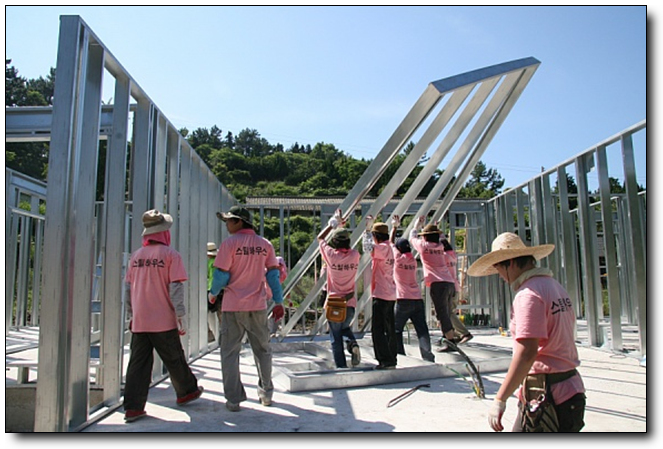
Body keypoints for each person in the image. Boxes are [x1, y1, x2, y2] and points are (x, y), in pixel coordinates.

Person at [467, 232, 586, 432]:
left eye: (498, 268)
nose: (500, 276)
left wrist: (500, 398)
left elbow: (527, 352)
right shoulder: (554, 286)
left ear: (511, 263)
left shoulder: (528, 295)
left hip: (547, 395)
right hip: (570, 389)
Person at [123, 209, 203, 423]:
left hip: (141, 320)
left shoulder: (136, 256)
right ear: (164, 232)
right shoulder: (170, 255)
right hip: (163, 318)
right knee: (174, 357)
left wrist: (131, 314)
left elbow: (128, 289)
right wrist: (180, 315)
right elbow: (175, 288)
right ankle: (187, 391)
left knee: (138, 364)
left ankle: (132, 408)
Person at [208, 205, 285, 412]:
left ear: (239, 221)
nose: (226, 224)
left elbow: (221, 275)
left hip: (233, 306)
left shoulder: (229, 244)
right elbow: (273, 275)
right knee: (262, 350)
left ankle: (233, 399)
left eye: (229, 220)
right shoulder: (265, 244)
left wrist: (213, 293)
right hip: (258, 305)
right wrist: (278, 301)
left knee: (230, 352)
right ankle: (266, 393)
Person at [317, 209, 361, 369]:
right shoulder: (355, 255)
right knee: (345, 328)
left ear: (334, 242)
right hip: (350, 303)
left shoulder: (331, 256)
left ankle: (342, 367)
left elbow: (320, 238)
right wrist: (341, 227)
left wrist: (333, 224)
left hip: (334, 303)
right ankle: (352, 343)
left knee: (335, 338)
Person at [389, 215, 435, 363]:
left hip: (403, 300)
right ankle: (428, 357)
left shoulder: (397, 259)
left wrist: (394, 227)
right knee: (422, 330)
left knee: (396, 329)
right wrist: (417, 227)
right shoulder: (412, 260)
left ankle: (400, 356)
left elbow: (390, 243)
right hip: (417, 299)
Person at [410, 216, 458, 352]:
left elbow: (412, 237)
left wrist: (416, 226)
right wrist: (439, 232)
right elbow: (449, 248)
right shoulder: (440, 246)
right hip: (449, 282)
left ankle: (451, 342)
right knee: (447, 312)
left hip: (437, 283)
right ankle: (447, 337)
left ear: (425, 237)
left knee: (442, 313)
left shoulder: (423, 246)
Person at [363, 215, 398, 370]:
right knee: (389, 329)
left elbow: (367, 248)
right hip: (391, 293)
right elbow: (391, 241)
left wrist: (366, 230)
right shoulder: (390, 247)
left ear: (376, 236)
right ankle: (392, 358)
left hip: (381, 293)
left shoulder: (382, 248)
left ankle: (385, 360)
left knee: (378, 330)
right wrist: (395, 227)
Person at [206, 242, 222, 342]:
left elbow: (208, 276)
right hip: (222, 289)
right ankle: (223, 336)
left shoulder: (209, 263)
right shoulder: (220, 262)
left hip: (211, 289)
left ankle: (211, 334)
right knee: (221, 315)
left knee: (207, 313)